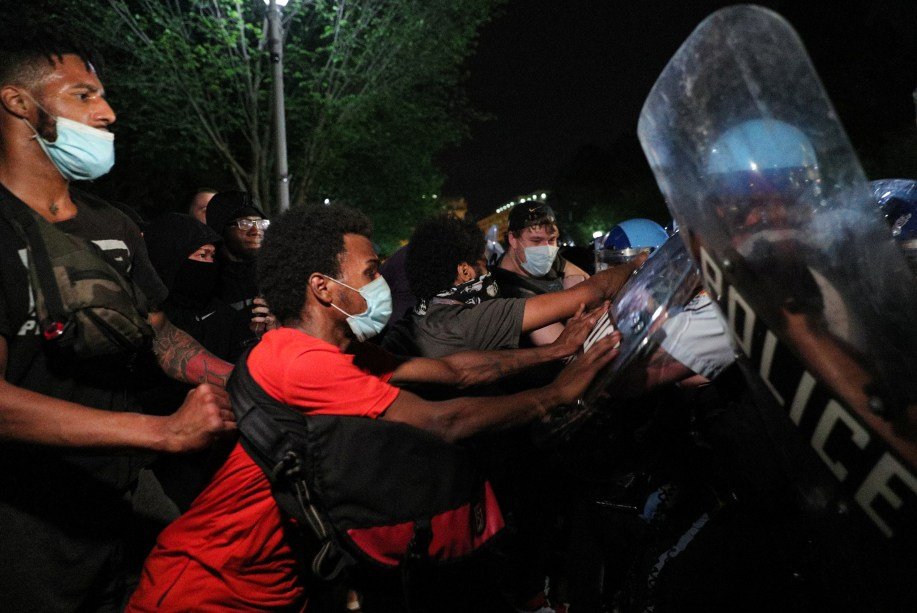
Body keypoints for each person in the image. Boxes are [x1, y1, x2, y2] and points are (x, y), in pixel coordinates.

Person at [126, 204, 623, 612]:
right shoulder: (299, 362)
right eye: (369, 272)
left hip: (275, 587)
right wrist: (555, 394)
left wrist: (552, 355)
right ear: (323, 287)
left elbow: (454, 372)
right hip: (205, 589)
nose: (381, 281)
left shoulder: (344, 350)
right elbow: (443, 420)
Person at [0, 37, 235, 611]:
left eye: (102, 96)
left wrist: (248, 380)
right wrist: (162, 432)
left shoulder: (114, 225)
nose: (107, 113)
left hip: (125, 498)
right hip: (28, 521)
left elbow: (158, 333)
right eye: (83, 95)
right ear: (18, 103)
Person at [383, 214, 639, 360]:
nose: (489, 274)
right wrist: (638, 262)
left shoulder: (414, 320)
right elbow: (591, 293)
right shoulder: (474, 319)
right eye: (484, 264)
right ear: (465, 272)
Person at [494, 201, 590, 345]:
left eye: (552, 239)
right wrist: (576, 302)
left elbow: (587, 281)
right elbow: (564, 347)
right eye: (536, 240)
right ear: (513, 239)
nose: (546, 249)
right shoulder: (507, 291)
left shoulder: (550, 258)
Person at [204, 189, 268, 313]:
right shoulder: (203, 281)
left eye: (261, 223)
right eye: (245, 223)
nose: (256, 231)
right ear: (221, 229)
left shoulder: (275, 276)